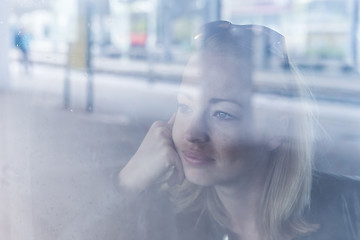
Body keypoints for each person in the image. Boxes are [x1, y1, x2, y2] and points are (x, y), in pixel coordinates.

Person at [117, 21, 360, 240]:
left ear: (276, 130)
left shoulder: (351, 209)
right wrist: (126, 183)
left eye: (222, 114)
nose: (192, 134)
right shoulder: (164, 214)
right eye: (185, 106)